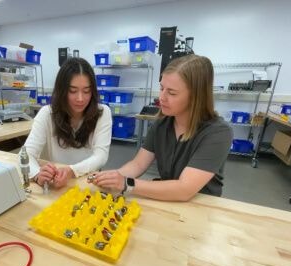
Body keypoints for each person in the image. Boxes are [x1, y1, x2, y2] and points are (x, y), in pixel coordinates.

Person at [92, 54, 233, 201]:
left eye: (171, 92)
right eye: (161, 88)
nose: (162, 97)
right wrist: (113, 177)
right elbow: (138, 164)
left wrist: (127, 184)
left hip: (201, 206)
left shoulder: (217, 133)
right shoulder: (162, 124)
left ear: (196, 96)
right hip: (167, 200)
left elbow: (184, 189)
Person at [25, 57, 112, 189]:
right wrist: (37, 175)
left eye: (86, 91)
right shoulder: (47, 114)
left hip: (87, 183)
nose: (80, 98)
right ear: (62, 90)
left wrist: (71, 171)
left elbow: (101, 156)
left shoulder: (103, 112)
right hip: (56, 186)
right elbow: (25, 154)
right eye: (72, 91)